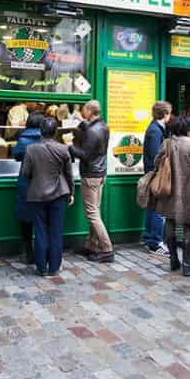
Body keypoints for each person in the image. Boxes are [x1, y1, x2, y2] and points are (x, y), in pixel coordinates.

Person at [22, 118, 74, 276]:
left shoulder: (31, 149)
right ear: (55, 131)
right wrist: (71, 192)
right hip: (59, 194)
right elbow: (69, 174)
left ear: (40, 131)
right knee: (56, 231)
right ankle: (54, 267)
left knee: (40, 231)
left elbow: (26, 172)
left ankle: (41, 267)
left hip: (37, 194)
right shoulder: (63, 149)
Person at [152, 116, 190, 277]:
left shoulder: (166, 143)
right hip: (188, 192)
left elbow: (156, 162)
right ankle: (187, 264)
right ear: (187, 129)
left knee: (171, 222)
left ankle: (174, 258)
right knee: (188, 226)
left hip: (168, 190)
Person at [68, 100, 113, 263]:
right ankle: (91, 245)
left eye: (84, 109)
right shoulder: (103, 126)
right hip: (100, 173)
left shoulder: (93, 131)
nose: (82, 111)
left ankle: (107, 249)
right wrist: (82, 123)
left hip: (91, 174)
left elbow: (85, 154)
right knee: (95, 210)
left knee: (92, 214)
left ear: (89, 111)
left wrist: (69, 146)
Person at [12, 113, 44, 265]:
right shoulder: (46, 139)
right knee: (42, 218)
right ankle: (41, 251)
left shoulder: (23, 139)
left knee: (26, 220)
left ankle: (29, 252)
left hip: (26, 181)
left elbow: (16, 155)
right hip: (44, 182)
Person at [142, 101, 171, 256]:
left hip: (155, 174)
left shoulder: (157, 128)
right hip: (156, 175)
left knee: (153, 207)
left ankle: (149, 238)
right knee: (158, 209)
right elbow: (155, 156)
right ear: (164, 114)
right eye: (169, 113)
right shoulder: (155, 131)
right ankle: (155, 242)